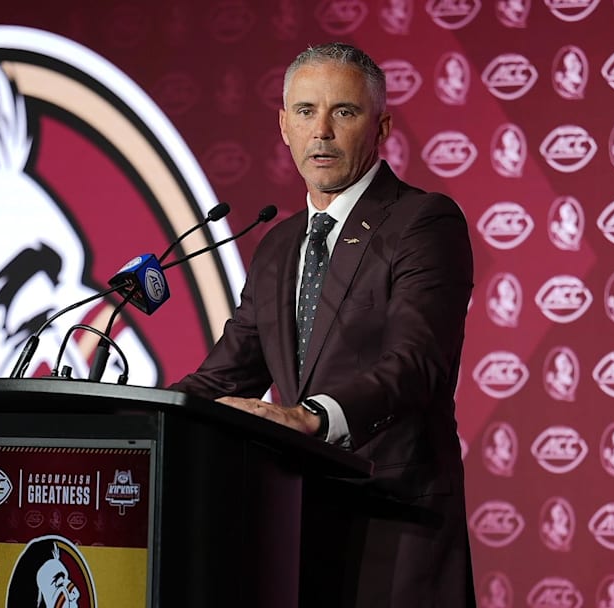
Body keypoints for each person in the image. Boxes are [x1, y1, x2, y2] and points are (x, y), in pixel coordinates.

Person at [170, 42, 476, 608]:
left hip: (393, 527)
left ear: (381, 127)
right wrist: (136, 425)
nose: (323, 132)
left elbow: (416, 363)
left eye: (345, 112)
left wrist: (309, 416)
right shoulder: (278, 245)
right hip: (291, 527)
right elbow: (224, 377)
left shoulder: (423, 222)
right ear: (284, 126)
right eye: (306, 111)